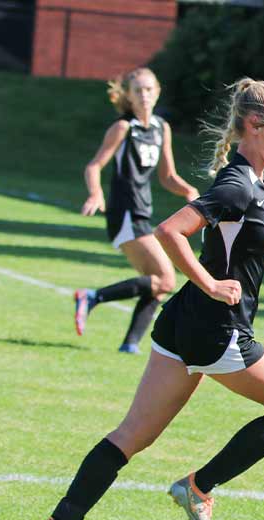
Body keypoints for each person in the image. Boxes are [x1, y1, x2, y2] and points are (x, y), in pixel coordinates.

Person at [30, 78, 264, 520]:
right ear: (254, 126)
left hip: (180, 325)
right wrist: (209, 283)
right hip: (218, 331)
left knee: (131, 436)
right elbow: (172, 230)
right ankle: (199, 487)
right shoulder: (236, 186)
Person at [73, 67, 199, 353]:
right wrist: (95, 193)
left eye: (149, 89)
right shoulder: (123, 128)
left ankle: (129, 345)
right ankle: (91, 297)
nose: (144, 95)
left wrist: (188, 191)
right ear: (128, 96)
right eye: (138, 90)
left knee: (157, 284)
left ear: (157, 92)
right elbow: (94, 165)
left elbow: (167, 176)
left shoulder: (160, 128)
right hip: (125, 213)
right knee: (166, 279)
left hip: (143, 211)